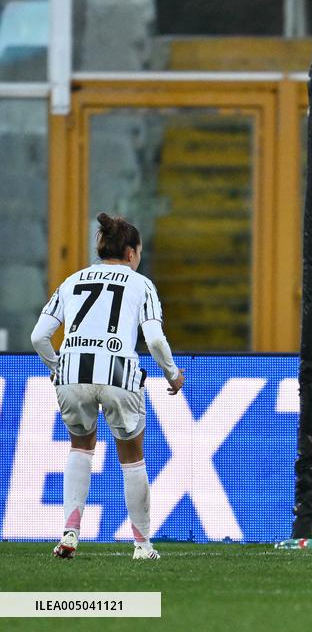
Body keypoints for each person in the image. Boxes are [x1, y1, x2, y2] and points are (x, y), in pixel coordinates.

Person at [31, 213, 184, 561]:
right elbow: (155, 340)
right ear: (131, 253)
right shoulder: (141, 284)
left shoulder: (71, 281)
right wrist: (173, 374)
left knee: (80, 447)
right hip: (118, 373)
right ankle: (142, 545)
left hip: (72, 373)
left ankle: (70, 531)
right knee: (132, 457)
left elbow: (39, 336)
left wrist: (57, 367)